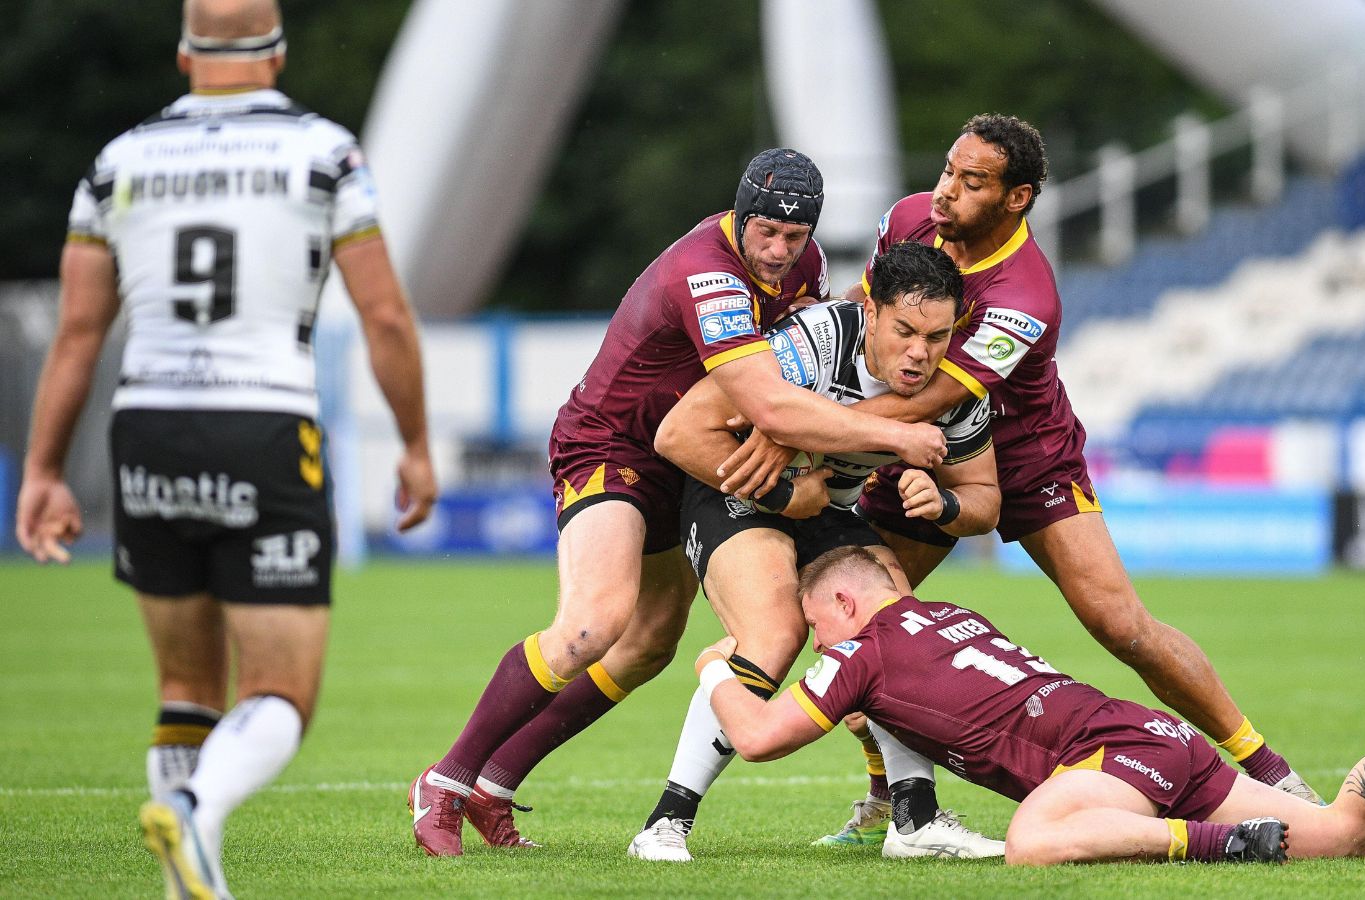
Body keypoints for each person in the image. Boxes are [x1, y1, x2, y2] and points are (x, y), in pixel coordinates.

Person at [717, 115, 1317, 847]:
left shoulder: (1024, 294)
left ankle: (1269, 769)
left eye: (972, 184)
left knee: (1119, 623)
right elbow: (868, 304)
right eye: (947, 170)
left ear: (1017, 198)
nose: (945, 192)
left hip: (1026, 459)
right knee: (855, 623)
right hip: (912, 451)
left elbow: (930, 400)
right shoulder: (909, 218)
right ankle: (894, 804)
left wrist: (800, 422)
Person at [408, 150, 949, 855]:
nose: (781, 252)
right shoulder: (709, 273)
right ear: (738, 212)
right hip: (615, 445)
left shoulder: (806, 265)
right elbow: (765, 401)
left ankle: (495, 785)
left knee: (648, 644)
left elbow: (806, 358)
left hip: (690, 460)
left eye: (795, 237)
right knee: (591, 625)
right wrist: (841, 458)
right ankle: (445, 782)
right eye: (766, 233)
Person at [14, 1, 438, 896]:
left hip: (149, 425)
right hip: (264, 422)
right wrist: (413, 444)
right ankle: (198, 814)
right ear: (277, 55)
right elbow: (385, 315)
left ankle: (185, 880)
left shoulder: (118, 161)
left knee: (184, 685)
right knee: (281, 691)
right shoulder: (323, 151)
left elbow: (79, 335)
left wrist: (45, 469)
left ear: (182, 55)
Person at [696, 546, 1365, 865]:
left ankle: (1219, 846)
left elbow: (764, 737)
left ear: (847, 606)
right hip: (1154, 738)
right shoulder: (950, 615)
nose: (815, 646)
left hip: (1105, 767)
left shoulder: (860, 648)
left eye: (815, 627)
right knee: (1344, 835)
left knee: (1034, 845)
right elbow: (928, 705)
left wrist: (718, 672)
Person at [627, 241, 1003, 861]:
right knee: (772, 636)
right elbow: (679, 435)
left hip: (824, 504)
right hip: (733, 492)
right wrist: (784, 493)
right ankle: (664, 826)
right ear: (872, 312)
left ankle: (915, 820)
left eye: (936, 337)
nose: (920, 353)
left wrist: (945, 507)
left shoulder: (956, 389)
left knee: (899, 627)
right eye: (905, 330)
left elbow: (984, 498)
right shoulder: (816, 340)